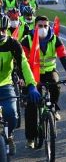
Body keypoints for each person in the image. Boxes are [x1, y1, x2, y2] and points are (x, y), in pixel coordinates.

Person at [21, 15, 66, 148]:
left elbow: (63, 57)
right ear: (35, 27)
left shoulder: (55, 39)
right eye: (40, 26)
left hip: (50, 72)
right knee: (32, 106)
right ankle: (30, 138)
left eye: (46, 26)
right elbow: (21, 62)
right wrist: (22, 78)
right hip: (32, 75)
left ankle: (54, 108)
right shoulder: (27, 40)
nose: (43, 28)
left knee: (55, 86)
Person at [0, 14, 40, 155]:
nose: (1, 33)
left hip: (5, 85)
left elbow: (24, 64)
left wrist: (31, 85)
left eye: (3, 30)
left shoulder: (13, 43)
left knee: (11, 114)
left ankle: (8, 134)